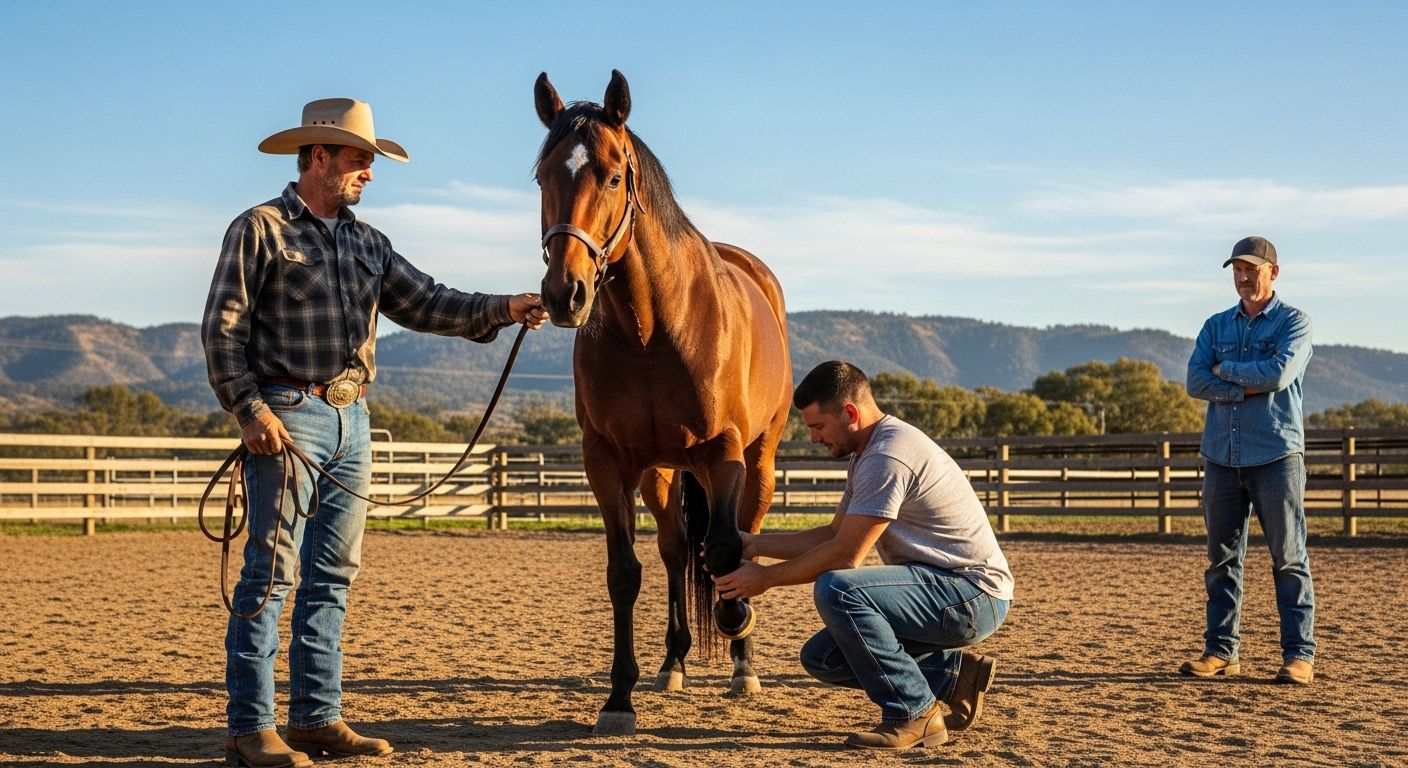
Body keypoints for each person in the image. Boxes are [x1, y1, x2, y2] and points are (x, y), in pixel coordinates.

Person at [202, 97, 548, 768]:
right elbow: (223, 329)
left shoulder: (369, 244)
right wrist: (250, 411)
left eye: (369, 161)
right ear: (319, 156)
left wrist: (504, 308)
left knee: (332, 575)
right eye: (360, 159)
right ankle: (250, 728)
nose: (369, 173)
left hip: (352, 419)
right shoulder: (260, 229)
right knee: (270, 576)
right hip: (287, 415)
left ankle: (314, 718)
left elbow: (429, 301)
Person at [711, 361, 1014, 750]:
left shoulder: (888, 456)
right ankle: (954, 677)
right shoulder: (869, 452)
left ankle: (914, 713)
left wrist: (767, 578)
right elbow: (834, 533)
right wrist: (754, 544)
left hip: (971, 594)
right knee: (823, 657)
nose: (816, 439)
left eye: (818, 426)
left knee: (839, 588)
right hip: (944, 589)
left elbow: (845, 554)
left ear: (850, 413)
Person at [1183, 235, 1315, 685]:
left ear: (1272, 273)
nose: (1242, 277)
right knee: (1221, 561)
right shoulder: (1215, 325)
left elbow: (1279, 374)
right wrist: (1245, 384)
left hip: (1276, 455)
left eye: (1251, 270)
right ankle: (1221, 652)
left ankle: (1299, 655)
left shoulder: (1294, 323)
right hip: (1221, 456)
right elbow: (1195, 382)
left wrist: (1225, 372)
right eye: (1237, 270)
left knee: (1288, 558)